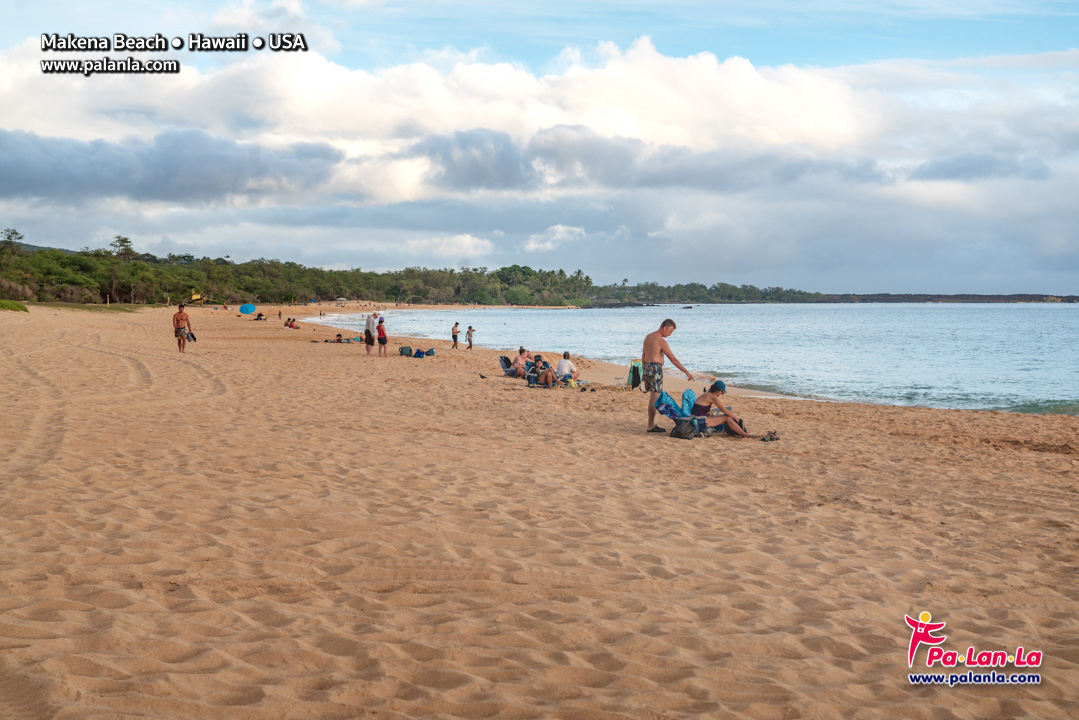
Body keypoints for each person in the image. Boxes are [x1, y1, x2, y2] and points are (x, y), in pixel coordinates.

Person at [643, 318, 693, 433]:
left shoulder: (648, 337)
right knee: (654, 398)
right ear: (664, 328)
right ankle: (650, 425)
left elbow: (643, 355)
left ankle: (651, 424)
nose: (670, 335)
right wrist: (686, 372)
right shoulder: (661, 341)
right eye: (670, 332)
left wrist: (643, 373)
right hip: (655, 369)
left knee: (653, 397)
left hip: (647, 368)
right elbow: (673, 360)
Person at [690, 381, 762, 438]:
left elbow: (700, 408)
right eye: (722, 392)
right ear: (718, 391)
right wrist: (736, 418)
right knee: (727, 418)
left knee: (726, 416)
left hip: (695, 419)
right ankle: (745, 435)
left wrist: (710, 413)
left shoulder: (707, 393)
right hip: (699, 422)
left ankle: (742, 433)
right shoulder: (713, 397)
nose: (721, 394)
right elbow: (726, 411)